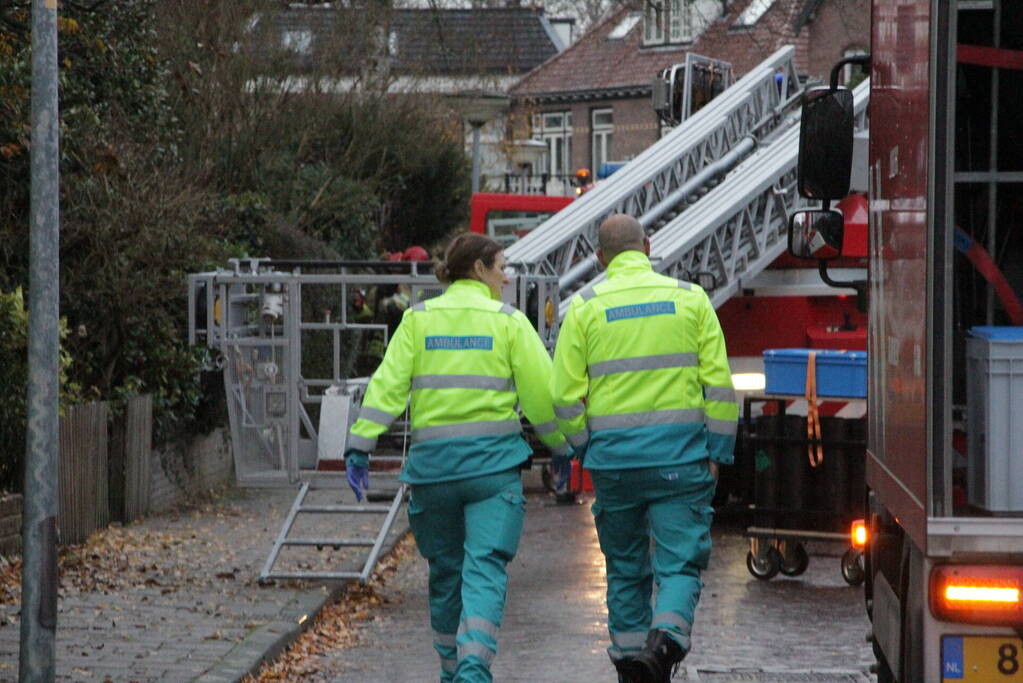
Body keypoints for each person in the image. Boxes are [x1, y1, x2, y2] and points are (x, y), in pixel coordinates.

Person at [344, 232, 568, 682]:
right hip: (492, 473)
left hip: (434, 472)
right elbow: (542, 396)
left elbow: (387, 386)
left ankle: (450, 670)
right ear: (480, 269)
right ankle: (472, 668)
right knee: (484, 569)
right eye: (501, 267)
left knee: (445, 574)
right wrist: (561, 446)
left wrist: (359, 445)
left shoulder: (418, 320)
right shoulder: (508, 322)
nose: (506, 278)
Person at [551, 214, 738, 683]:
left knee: (626, 567)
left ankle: (631, 665)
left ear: (600, 257)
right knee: (679, 564)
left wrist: (585, 448)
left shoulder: (585, 307)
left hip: (614, 465)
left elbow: (562, 397)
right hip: (681, 462)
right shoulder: (690, 300)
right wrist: (718, 453)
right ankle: (663, 645)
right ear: (648, 246)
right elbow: (718, 387)